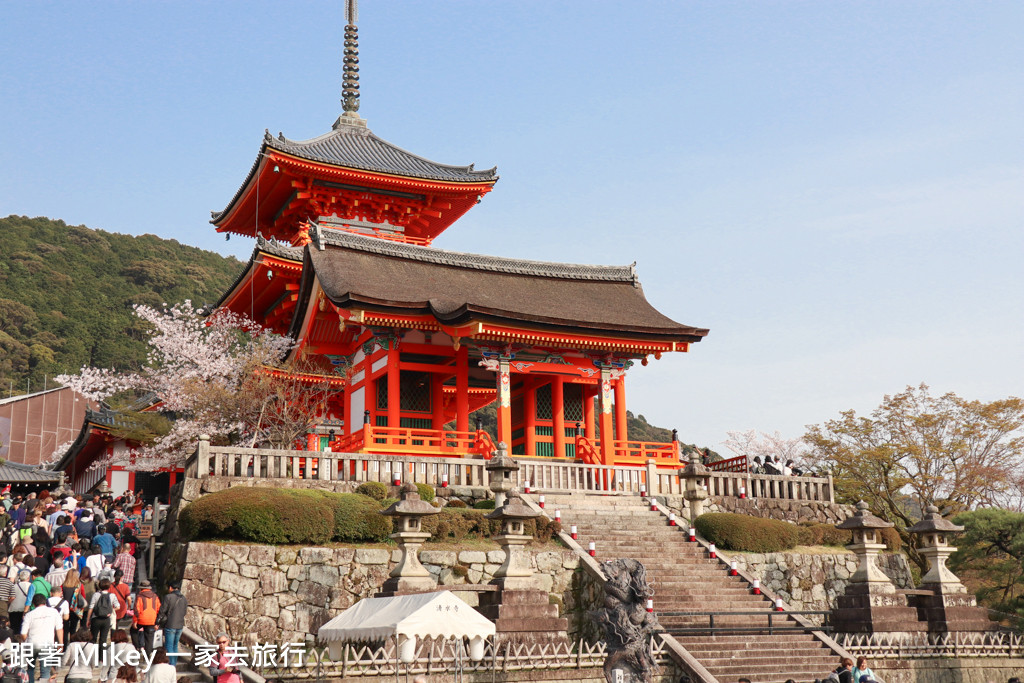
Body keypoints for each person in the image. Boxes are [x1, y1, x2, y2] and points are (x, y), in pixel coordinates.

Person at [19, 594, 63, 683]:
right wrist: (60, 643)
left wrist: (26, 640)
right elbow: (59, 629)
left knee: (30, 668)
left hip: (31, 643)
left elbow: (23, 633)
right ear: (45, 602)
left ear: (33, 604)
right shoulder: (54, 612)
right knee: (45, 671)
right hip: (47, 644)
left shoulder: (29, 615)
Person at [156, 581, 186, 665]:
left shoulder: (168, 597)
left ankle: (171, 665)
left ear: (170, 588)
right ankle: (174, 664)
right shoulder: (183, 598)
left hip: (170, 624)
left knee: (169, 646)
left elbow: (162, 611)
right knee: (175, 646)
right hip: (180, 625)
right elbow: (184, 612)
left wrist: (157, 622)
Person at [88, 577, 120, 645]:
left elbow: (91, 607)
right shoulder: (112, 595)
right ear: (109, 586)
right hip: (106, 619)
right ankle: (101, 655)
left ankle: (92, 654)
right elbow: (118, 606)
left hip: (96, 618)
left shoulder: (96, 595)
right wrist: (111, 610)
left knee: (93, 638)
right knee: (103, 639)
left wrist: (88, 619)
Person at [61, 570, 88, 648]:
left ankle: (64, 647)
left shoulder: (63, 586)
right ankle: (72, 646)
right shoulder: (79, 585)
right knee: (73, 629)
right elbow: (83, 597)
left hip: (65, 610)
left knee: (65, 630)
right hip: (75, 609)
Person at [133, 580, 161, 653]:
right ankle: (148, 655)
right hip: (152, 619)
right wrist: (157, 622)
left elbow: (136, 610)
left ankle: (137, 647)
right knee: (149, 638)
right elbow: (159, 609)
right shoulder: (155, 596)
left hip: (141, 619)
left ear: (141, 588)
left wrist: (135, 621)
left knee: (133, 631)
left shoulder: (139, 596)